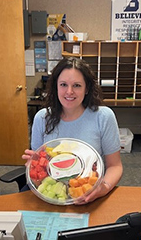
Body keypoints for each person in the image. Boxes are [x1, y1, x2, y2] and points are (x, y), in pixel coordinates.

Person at [22, 57, 123, 204]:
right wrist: (34, 166)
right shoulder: (41, 118)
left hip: (90, 195)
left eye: (77, 85)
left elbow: (115, 166)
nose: (69, 92)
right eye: (63, 84)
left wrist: (103, 189)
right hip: (52, 197)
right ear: (56, 86)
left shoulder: (103, 117)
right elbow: (40, 170)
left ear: (86, 88)